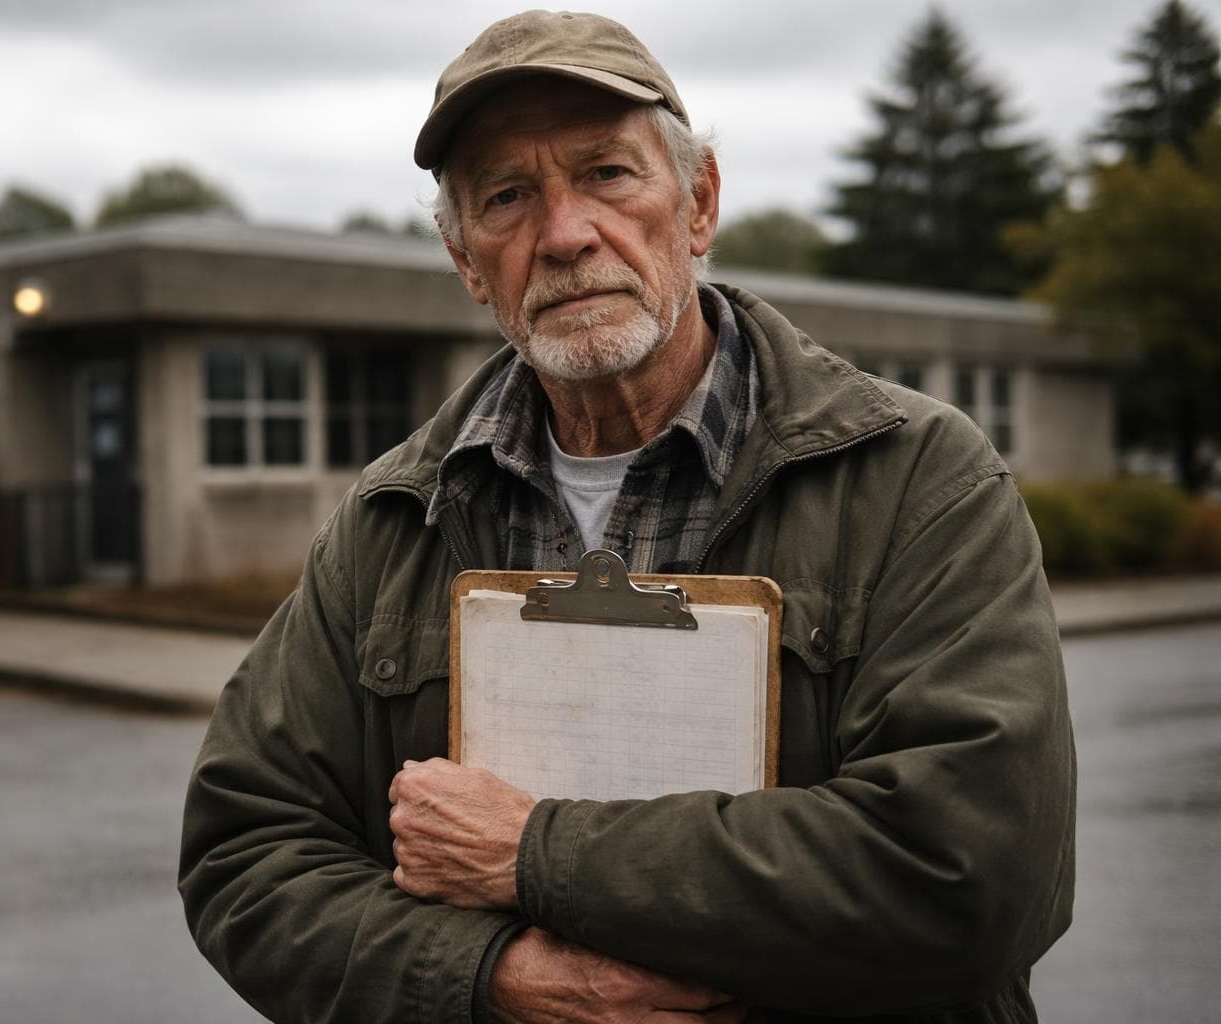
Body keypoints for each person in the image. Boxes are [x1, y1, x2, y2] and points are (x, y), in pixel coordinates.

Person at [179, 10, 1075, 1023]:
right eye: (507, 198)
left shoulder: (916, 476)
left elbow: (969, 873)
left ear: (699, 205)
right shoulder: (395, 517)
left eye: (608, 173)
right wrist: (491, 980)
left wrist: (532, 853)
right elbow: (244, 853)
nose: (563, 235)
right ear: (469, 262)